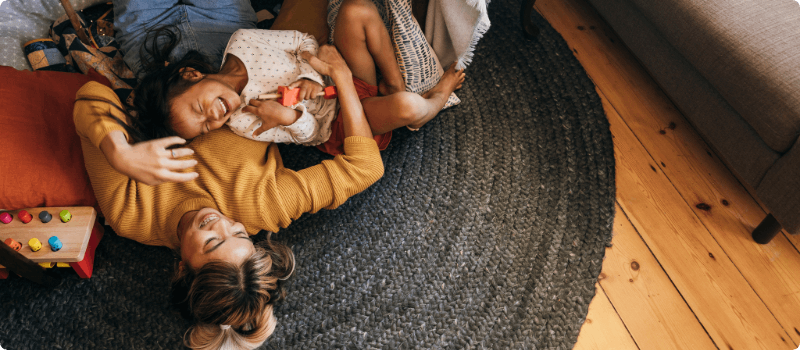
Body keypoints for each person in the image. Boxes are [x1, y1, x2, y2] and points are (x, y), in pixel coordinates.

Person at [74, 44, 384, 350]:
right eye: (238, 233)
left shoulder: (132, 216)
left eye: (212, 243)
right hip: (274, 56)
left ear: (182, 268)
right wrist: (342, 76)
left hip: (174, 73)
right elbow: (365, 167)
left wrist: (121, 154)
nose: (220, 223)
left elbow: (90, 95)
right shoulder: (264, 205)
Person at [125, 0, 466, 158]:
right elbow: (312, 136)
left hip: (335, 78)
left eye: (199, 108)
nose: (212, 119)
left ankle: (392, 82)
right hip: (340, 122)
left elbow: (302, 41)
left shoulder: (245, 40)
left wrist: (311, 72)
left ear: (192, 74)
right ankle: (435, 100)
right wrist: (290, 117)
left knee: (356, 10)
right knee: (407, 107)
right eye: (203, 129)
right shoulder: (245, 121)